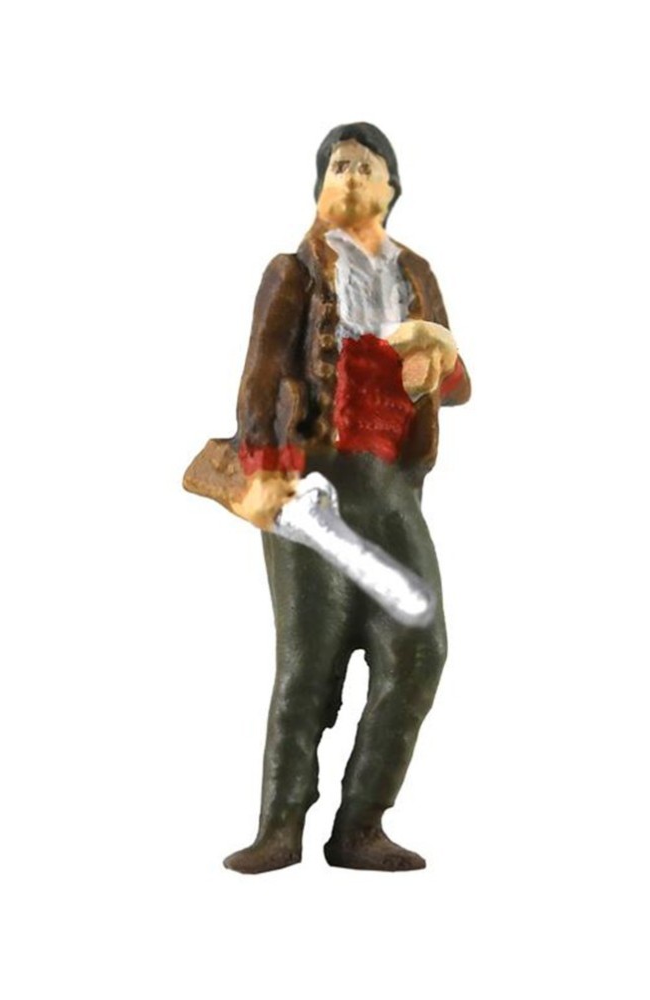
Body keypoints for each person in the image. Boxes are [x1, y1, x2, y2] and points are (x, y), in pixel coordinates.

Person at [186, 122, 470, 873]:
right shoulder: (294, 271)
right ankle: (279, 826)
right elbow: (258, 377)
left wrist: (435, 363)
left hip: (389, 486)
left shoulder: (416, 273)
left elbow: (459, 382)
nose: (349, 176)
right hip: (308, 479)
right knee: (309, 657)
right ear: (320, 187)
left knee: (419, 647)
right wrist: (265, 472)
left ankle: (361, 825)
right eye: (338, 165)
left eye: (364, 166)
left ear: (391, 188)